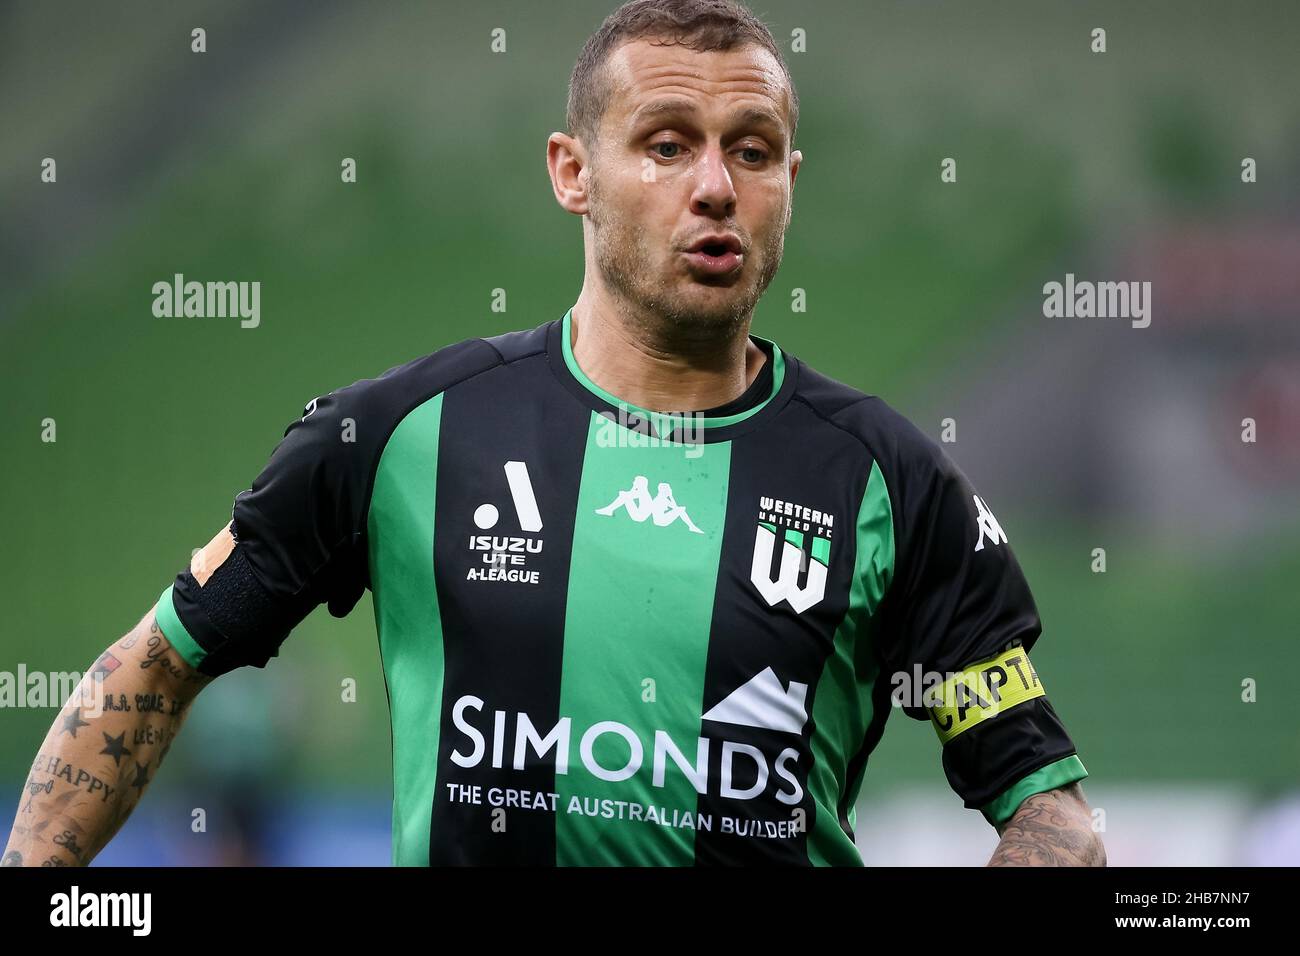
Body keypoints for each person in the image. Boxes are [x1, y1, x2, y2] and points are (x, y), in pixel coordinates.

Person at [3, 0, 1103, 867]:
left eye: (753, 151)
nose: (715, 186)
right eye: (666, 145)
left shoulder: (894, 486)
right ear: (572, 173)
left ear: (789, 183)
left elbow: (1053, 816)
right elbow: (154, 664)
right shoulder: (396, 436)